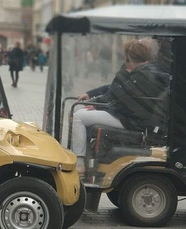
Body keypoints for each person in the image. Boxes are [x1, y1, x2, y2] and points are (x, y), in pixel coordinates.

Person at [71, 40, 169, 175]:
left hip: (131, 121)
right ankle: (88, 158)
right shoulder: (145, 72)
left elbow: (121, 99)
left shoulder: (141, 75)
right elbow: (119, 96)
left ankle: (79, 162)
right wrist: (96, 102)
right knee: (82, 113)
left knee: (79, 116)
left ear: (129, 57)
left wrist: (101, 107)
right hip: (131, 118)